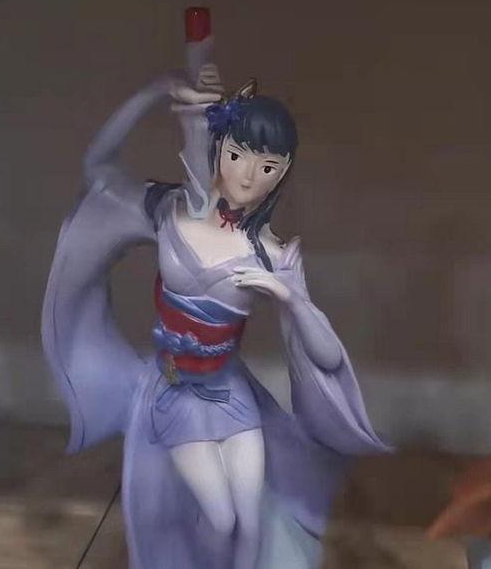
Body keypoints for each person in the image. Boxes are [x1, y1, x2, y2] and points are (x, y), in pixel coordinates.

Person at [42, 60, 389, 569]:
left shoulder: (271, 253)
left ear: (282, 173)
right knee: (221, 519)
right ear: (219, 147)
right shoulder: (170, 213)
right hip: (174, 395)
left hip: (231, 395)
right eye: (237, 155)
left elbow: (328, 358)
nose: (248, 176)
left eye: (267, 167)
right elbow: (98, 166)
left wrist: (292, 300)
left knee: (249, 521)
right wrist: (155, 92)